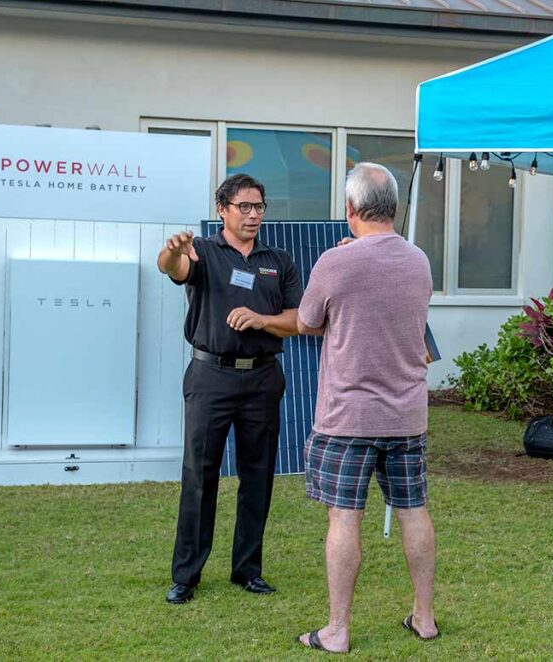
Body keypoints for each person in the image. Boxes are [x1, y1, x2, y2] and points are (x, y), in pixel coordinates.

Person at [295, 163, 437, 653]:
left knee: (344, 518)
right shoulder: (419, 261)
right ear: (394, 208)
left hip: (348, 417)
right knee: (413, 511)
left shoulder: (335, 263)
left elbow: (308, 321)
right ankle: (424, 617)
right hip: (406, 414)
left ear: (350, 209)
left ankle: (336, 630)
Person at [157, 173, 303, 604]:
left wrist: (262, 321)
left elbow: (300, 320)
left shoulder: (280, 260)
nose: (254, 215)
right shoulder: (201, 251)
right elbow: (174, 270)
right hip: (210, 377)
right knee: (199, 477)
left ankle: (247, 570)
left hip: (262, 377)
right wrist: (170, 253)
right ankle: (187, 575)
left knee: (257, 477)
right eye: (245, 207)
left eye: (259, 207)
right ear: (222, 209)